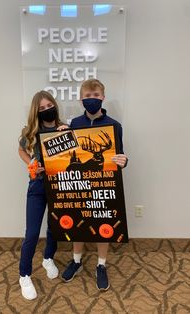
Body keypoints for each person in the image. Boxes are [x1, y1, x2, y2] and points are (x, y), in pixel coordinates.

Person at [61, 79, 128, 291]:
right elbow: (66, 156)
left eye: (96, 96)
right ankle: (77, 261)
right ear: (81, 99)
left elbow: (119, 156)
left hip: (103, 185)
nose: (92, 100)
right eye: (88, 97)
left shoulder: (114, 125)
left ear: (103, 98)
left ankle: (101, 265)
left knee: (102, 225)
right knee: (79, 223)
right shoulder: (74, 125)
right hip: (79, 185)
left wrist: (124, 161)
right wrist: (60, 135)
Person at [19, 90, 65, 300]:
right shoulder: (31, 131)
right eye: (42, 108)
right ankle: (24, 274)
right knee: (32, 233)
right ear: (36, 112)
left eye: (49, 106)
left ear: (54, 105)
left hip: (59, 185)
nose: (47, 111)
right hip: (37, 186)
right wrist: (31, 162)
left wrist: (69, 134)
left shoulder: (65, 127)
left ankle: (48, 258)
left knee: (54, 227)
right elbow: (20, 149)